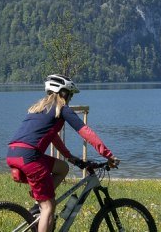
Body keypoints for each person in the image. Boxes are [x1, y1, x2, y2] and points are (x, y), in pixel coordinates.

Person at [6, 74, 119, 232]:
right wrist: (108, 155)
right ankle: (43, 205)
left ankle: (39, 203)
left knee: (62, 168)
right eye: (70, 95)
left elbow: (52, 137)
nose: (70, 99)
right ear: (64, 93)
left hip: (13, 153)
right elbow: (85, 131)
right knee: (49, 207)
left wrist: (70, 157)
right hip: (30, 157)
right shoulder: (63, 109)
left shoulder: (38, 109)